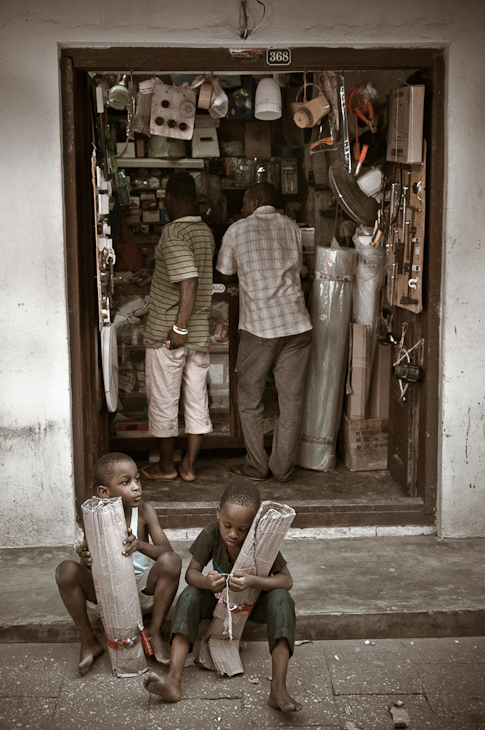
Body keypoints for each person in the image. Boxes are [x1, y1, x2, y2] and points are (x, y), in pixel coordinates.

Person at [143, 481, 302, 713]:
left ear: (255, 523)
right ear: (218, 512)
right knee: (189, 596)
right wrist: (207, 582)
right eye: (227, 525)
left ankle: (278, 688)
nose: (233, 534)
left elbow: (286, 581)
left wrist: (253, 581)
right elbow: (191, 574)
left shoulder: (261, 539)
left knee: (281, 599)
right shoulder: (211, 533)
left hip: (254, 605)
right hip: (219, 601)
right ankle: (173, 680)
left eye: (243, 529)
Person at [216, 182, 312, 484]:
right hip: (297, 324)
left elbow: (225, 271)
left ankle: (258, 466)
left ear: (256, 200)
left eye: (244, 202)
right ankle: (283, 469)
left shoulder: (238, 230)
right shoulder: (292, 227)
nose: (242, 208)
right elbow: (298, 267)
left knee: (249, 399)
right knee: (291, 403)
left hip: (260, 327)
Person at [55, 452, 182, 675]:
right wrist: (85, 561)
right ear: (105, 492)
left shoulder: (143, 511)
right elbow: (88, 568)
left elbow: (167, 553)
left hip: (141, 591)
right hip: (108, 596)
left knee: (171, 562)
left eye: (137, 479)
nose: (136, 487)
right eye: (126, 482)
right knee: (65, 571)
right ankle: (89, 640)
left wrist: (140, 545)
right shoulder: (93, 517)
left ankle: (153, 632)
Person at [132, 171, 215, 482]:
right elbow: (186, 271)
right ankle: (188, 467)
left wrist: (179, 327)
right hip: (200, 337)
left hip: (171, 335)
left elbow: (189, 278)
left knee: (165, 401)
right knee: (196, 401)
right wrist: (155, 273)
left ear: (172, 201)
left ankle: (166, 467)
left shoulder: (173, 232)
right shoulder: (204, 232)